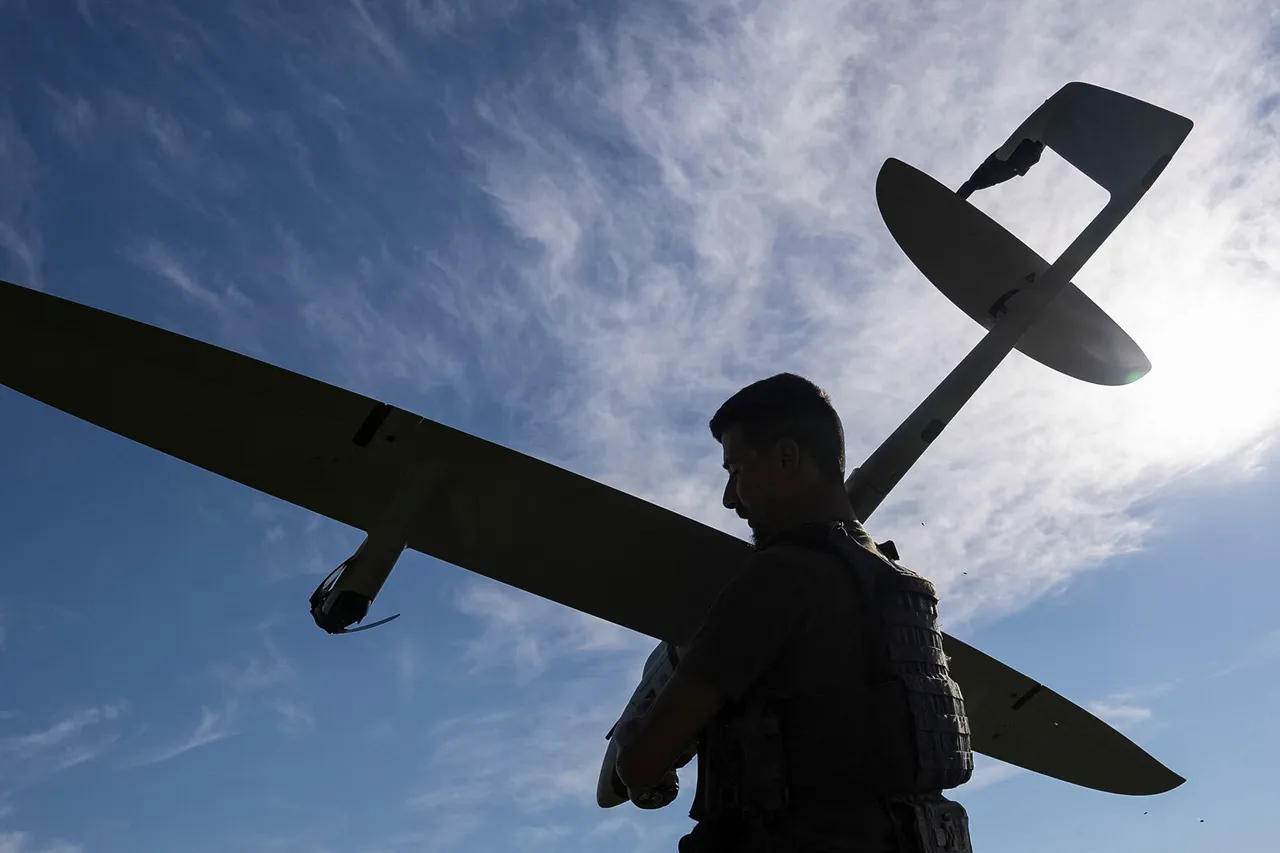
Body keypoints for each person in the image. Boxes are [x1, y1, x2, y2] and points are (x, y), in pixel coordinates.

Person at [613, 373, 974, 852]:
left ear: (787, 458)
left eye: (735, 471)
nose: (729, 497)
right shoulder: (900, 590)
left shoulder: (776, 578)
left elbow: (640, 763)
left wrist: (634, 732)